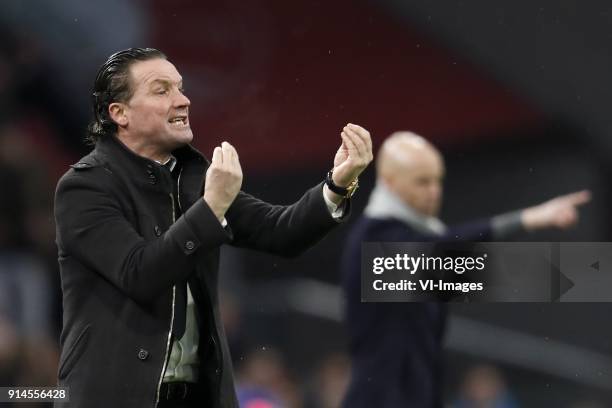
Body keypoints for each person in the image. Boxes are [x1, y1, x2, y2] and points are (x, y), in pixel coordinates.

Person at [53, 48, 373, 408]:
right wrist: (211, 208)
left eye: (180, 88)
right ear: (119, 113)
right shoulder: (84, 187)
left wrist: (337, 185)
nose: (183, 100)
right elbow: (140, 274)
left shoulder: (194, 179)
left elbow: (281, 231)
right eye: (162, 91)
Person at [340, 131, 590, 408]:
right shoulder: (373, 241)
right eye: (422, 182)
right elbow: (456, 259)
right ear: (389, 183)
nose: (434, 191)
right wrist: (529, 220)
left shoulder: (412, 238)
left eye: (437, 180)